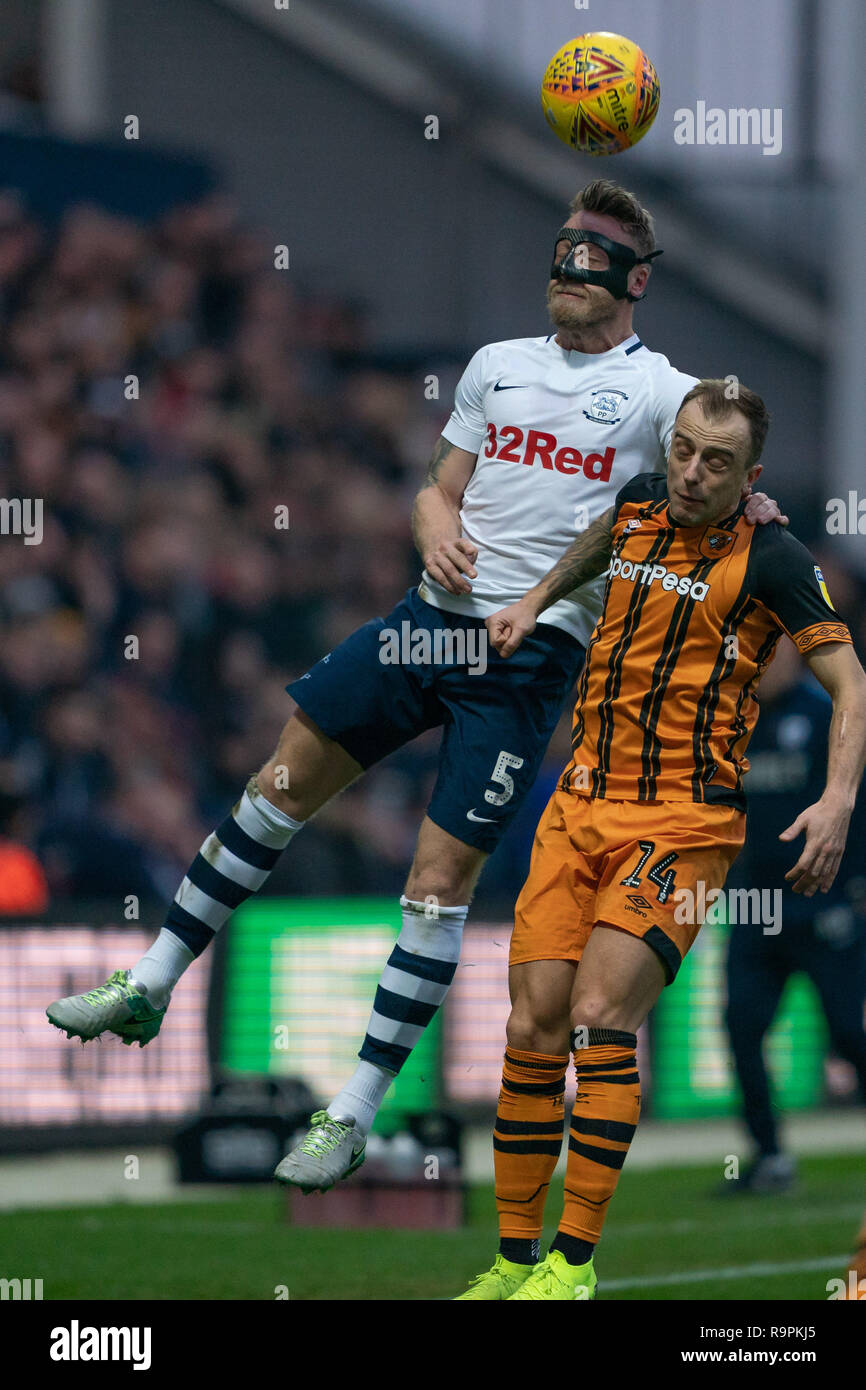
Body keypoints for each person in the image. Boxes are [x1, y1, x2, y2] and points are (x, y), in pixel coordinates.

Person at [45, 182, 782, 1194]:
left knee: (436, 884)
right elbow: (440, 483)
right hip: (426, 626)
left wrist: (749, 499)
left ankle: (348, 1116)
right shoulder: (495, 367)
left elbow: (722, 457)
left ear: (634, 281)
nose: (568, 275)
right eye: (562, 255)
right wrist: (433, 523)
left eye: (591, 261)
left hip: (527, 660)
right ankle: (150, 982)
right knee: (277, 785)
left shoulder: (661, 392)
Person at [454, 379, 866, 1300]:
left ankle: (573, 1265)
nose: (690, 471)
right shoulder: (639, 501)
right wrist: (534, 597)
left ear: (749, 475)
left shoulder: (777, 557)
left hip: (685, 824)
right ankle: (511, 1263)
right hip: (579, 807)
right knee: (531, 1028)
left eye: (716, 462)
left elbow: (852, 682)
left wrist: (838, 799)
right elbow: (602, 539)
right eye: (683, 448)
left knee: (603, 1016)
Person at [720, 637, 866, 1193]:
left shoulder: (828, 717)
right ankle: (770, 1157)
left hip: (826, 906)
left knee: (849, 1034)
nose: (758, 666)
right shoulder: (734, 725)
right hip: (758, 909)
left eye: (769, 653)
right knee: (741, 1026)